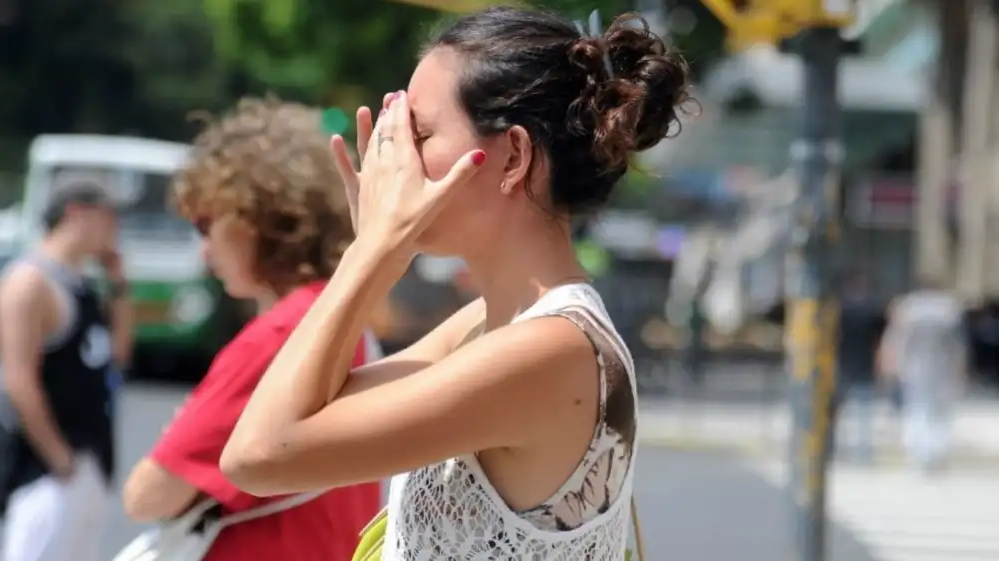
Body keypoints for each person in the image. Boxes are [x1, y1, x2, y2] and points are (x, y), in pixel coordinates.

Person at [220, 8, 690, 559]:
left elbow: (258, 456)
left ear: (514, 156)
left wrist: (370, 252)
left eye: (417, 133)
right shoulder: (485, 326)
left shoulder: (551, 350)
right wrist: (373, 252)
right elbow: (312, 411)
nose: (392, 159)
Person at [120, 98, 383, 561]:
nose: (203, 251)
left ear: (256, 218)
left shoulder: (283, 334)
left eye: (206, 225)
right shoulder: (342, 314)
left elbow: (147, 495)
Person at [0, 182, 132, 561]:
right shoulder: (29, 283)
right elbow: (18, 379)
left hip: (90, 457)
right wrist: (59, 458)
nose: (115, 228)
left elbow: (117, 355)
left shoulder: (82, 284)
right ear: (77, 213)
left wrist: (119, 282)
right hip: (46, 469)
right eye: (109, 217)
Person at [878, 278, 967, 473]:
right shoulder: (948, 308)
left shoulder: (909, 307)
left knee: (917, 409)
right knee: (938, 412)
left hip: (915, 368)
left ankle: (920, 454)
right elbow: (958, 345)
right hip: (941, 368)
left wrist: (891, 366)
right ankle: (935, 452)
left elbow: (896, 340)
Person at [828, 271, 884, 463]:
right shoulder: (872, 310)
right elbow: (878, 341)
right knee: (863, 415)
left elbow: (830, 339)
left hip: (841, 366)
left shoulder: (838, 310)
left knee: (833, 414)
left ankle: (829, 448)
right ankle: (863, 454)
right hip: (864, 366)